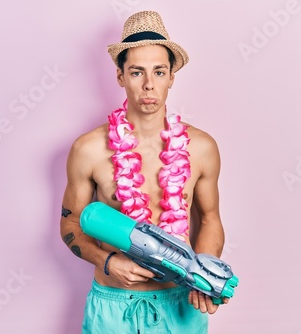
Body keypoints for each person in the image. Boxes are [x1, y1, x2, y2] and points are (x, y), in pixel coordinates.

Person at [60, 10, 228, 333]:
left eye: (159, 72)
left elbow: (209, 219)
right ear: (120, 77)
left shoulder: (202, 148)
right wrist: (107, 262)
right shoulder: (88, 150)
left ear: (171, 77)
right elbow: (70, 222)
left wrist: (203, 272)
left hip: (181, 306)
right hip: (113, 306)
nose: (149, 85)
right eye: (137, 73)